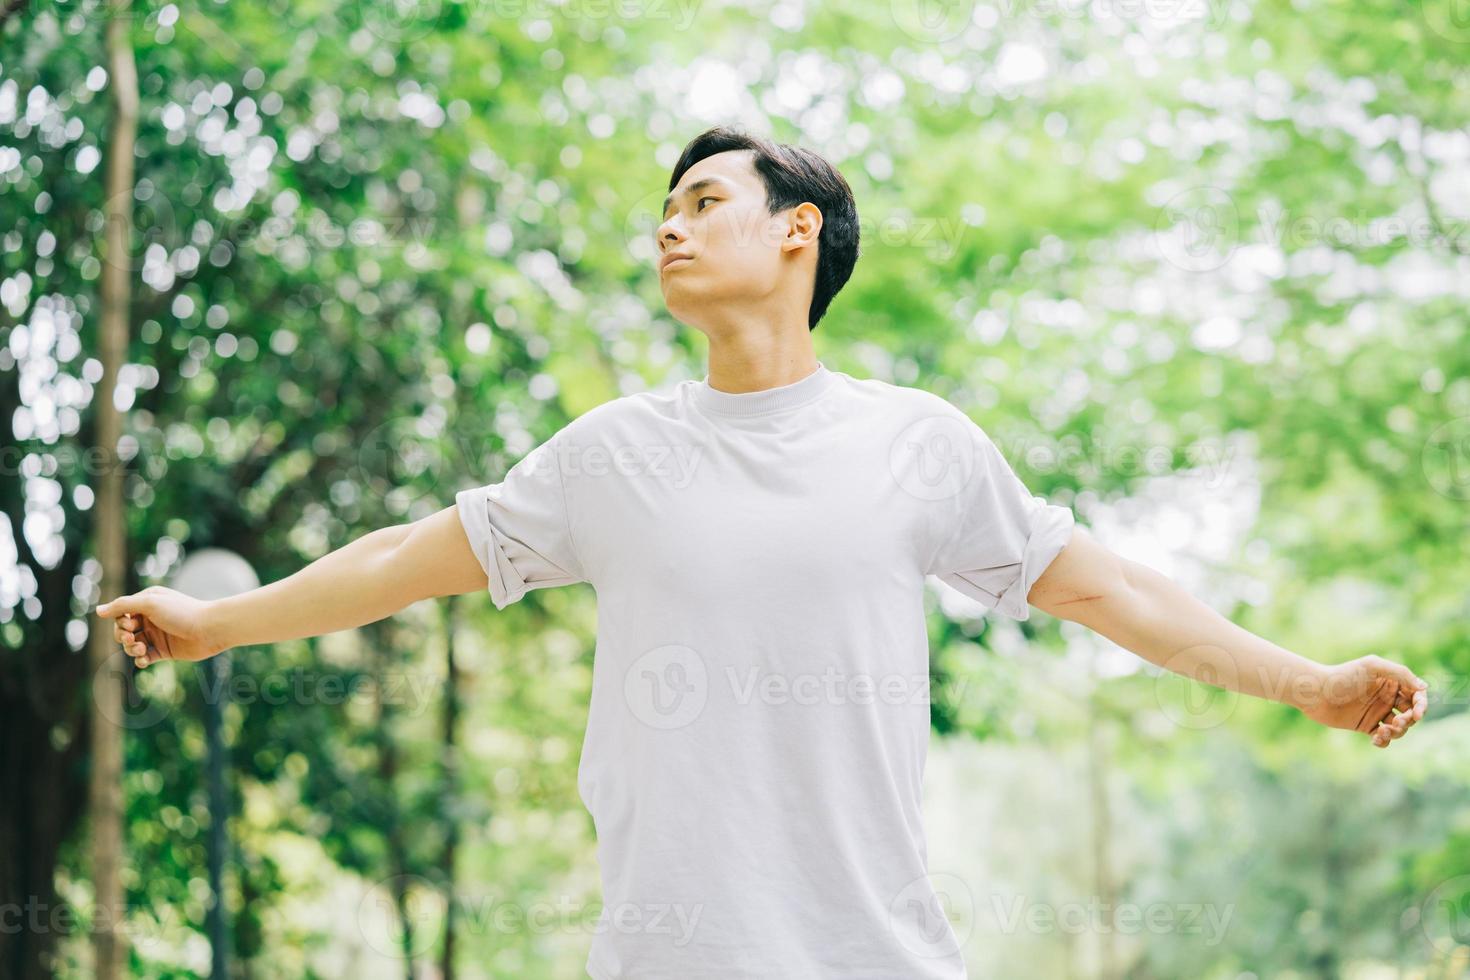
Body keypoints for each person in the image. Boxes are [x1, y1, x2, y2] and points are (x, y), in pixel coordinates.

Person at [96, 126, 1429, 979]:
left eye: (702, 199)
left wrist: (1307, 682)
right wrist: (221, 624)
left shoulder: (917, 445)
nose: (668, 227)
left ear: (799, 230)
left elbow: (1115, 593)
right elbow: (402, 555)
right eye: (662, 211)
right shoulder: (611, 453)